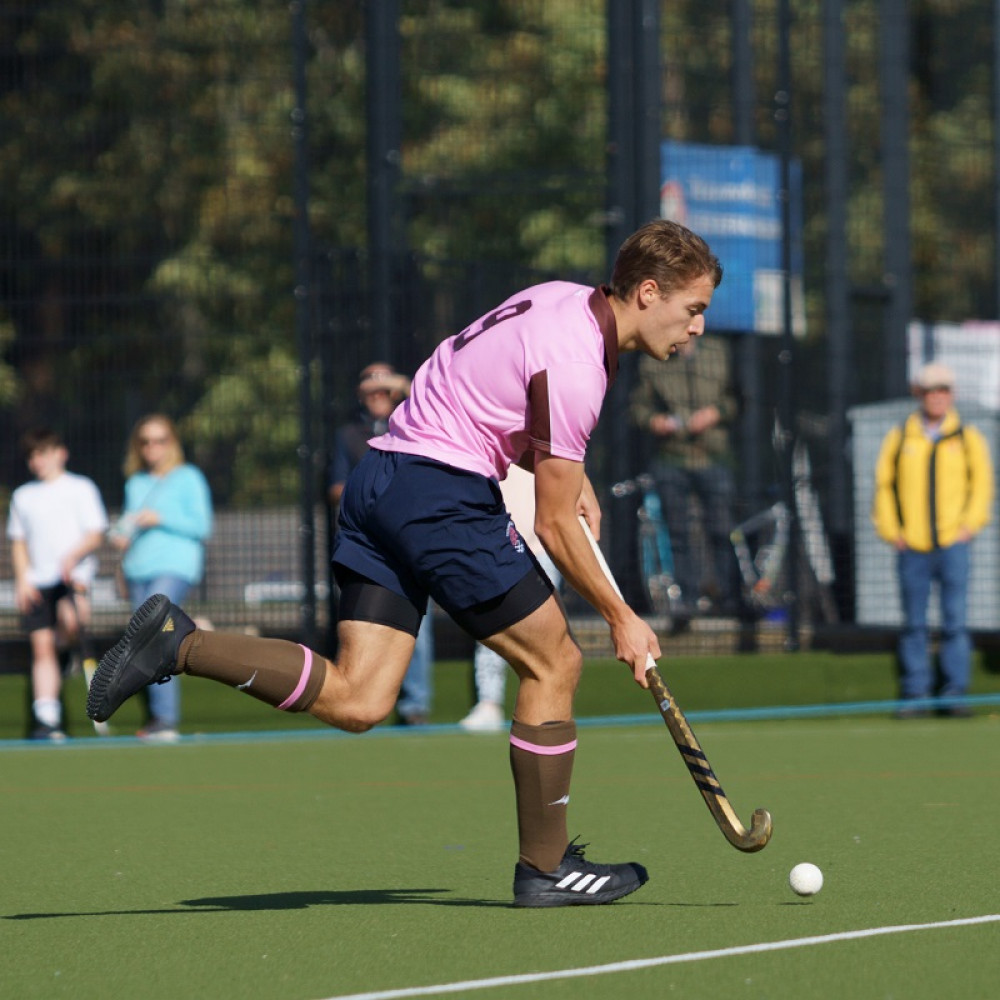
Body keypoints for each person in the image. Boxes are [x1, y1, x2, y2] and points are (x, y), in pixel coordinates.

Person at [88, 219, 722, 907]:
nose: (696, 329)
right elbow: (551, 523)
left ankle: (181, 644)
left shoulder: (562, 299)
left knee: (360, 699)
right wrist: (622, 617)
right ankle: (545, 869)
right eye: (693, 311)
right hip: (438, 497)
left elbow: (480, 385)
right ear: (649, 292)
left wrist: (568, 471)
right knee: (555, 662)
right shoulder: (579, 361)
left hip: (379, 478)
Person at [872, 362, 994, 718]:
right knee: (914, 623)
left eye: (943, 390)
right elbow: (884, 486)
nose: (937, 397)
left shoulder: (966, 435)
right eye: (931, 391)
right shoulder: (901, 435)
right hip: (912, 546)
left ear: (951, 395)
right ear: (919, 394)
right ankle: (916, 693)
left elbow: (982, 485)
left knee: (955, 621)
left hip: (954, 544)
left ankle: (955, 692)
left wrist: (969, 527)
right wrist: (893, 532)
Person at [328, 362, 435, 725]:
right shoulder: (349, 435)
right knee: (361, 626)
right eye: (369, 386)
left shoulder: (414, 425)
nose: (378, 393)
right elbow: (336, 488)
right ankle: (358, 697)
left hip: (410, 539)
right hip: (367, 544)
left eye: (384, 386)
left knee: (416, 622)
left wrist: (400, 384)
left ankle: (414, 704)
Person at [108, 414, 212, 742]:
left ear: (172, 442)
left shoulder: (188, 477)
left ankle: (166, 718)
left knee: (156, 634)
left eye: (160, 440)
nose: (153, 447)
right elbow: (127, 525)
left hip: (174, 566)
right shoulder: (135, 482)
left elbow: (202, 525)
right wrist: (121, 537)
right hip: (138, 569)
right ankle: (158, 717)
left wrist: (161, 518)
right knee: (146, 640)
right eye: (146, 441)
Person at [629, 334, 741, 623]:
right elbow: (638, 409)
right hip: (671, 457)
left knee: (722, 529)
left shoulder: (719, 352)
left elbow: (738, 398)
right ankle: (687, 601)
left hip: (713, 456)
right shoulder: (654, 357)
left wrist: (716, 413)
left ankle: (729, 598)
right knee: (677, 532)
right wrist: (656, 422)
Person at [7, 427, 108, 740]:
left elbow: (94, 533)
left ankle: (64, 657)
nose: (38, 461)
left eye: (44, 453)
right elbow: (19, 541)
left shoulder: (81, 488)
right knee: (41, 648)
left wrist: (72, 557)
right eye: (33, 455)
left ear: (60, 453)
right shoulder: (23, 496)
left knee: (71, 624)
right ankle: (47, 719)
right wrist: (23, 579)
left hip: (73, 578)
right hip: (39, 582)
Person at [459, 464, 562, 732]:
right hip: (499, 547)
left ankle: (550, 705)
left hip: (542, 549)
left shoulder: (546, 443)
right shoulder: (492, 441)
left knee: (549, 633)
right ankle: (489, 704)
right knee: (495, 627)